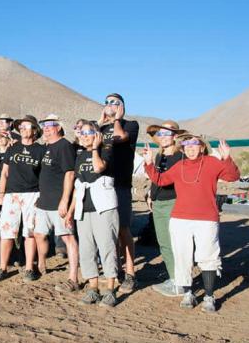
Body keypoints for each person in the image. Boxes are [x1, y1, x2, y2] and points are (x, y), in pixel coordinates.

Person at [143, 134, 240, 313]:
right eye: (186, 145)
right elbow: (161, 180)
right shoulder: (179, 166)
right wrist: (149, 163)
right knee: (182, 256)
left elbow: (233, 176)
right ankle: (188, 293)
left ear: (202, 147)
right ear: (183, 149)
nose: (190, 147)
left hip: (206, 219)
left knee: (208, 256)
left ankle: (209, 296)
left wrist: (227, 158)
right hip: (180, 219)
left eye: (194, 144)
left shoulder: (211, 162)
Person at [65, 121, 120, 307]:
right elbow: (78, 186)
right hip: (84, 209)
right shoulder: (79, 156)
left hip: (103, 207)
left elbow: (98, 168)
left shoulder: (107, 150)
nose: (84, 135)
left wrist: (95, 148)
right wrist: (70, 212)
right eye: (82, 132)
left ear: (97, 134)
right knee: (87, 250)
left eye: (89, 132)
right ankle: (93, 288)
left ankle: (110, 290)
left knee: (107, 247)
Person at [0, 115, 45, 282]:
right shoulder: (12, 148)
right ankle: (3, 267)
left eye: (26, 126)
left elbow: (44, 175)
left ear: (35, 130)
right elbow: (5, 172)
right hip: (11, 194)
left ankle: (29, 267)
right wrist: (1, 194)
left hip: (32, 194)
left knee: (29, 232)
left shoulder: (41, 150)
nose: (22, 129)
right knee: (6, 231)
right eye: (20, 127)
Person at [34, 115, 80, 292]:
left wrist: (64, 200)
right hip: (44, 202)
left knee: (68, 237)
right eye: (44, 125)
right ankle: (41, 265)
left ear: (59, 127)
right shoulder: (48, 147)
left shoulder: (64, 146)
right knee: (39, 234)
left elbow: (69, 174)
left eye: (51, 125)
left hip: (58, 202)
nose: (46, 128)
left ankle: (73, 278)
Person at [99, 93, 139, 293]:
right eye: (107, 102)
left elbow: (120, 137)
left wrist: (115, 120)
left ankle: (130, 273)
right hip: (103, 184)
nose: (109, 105)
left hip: (121, 183)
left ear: (122, 106)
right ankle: (114, 270)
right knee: (108, 232)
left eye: (114, 102)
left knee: (123, 229)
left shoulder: (131, 125)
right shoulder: (102, 128)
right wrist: (100, 123)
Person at [145, 121, 187, 297]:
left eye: (166, 133)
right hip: (159, 203)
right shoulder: (159, 157)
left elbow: (169, 181)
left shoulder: (181, 157)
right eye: (160, 134)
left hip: (173, 202)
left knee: (175, 243)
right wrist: (150, 194)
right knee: (164, 243)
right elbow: (156, 179)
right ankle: (174, 279)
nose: (162, 137)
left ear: (175, 136)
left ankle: (180, 283)